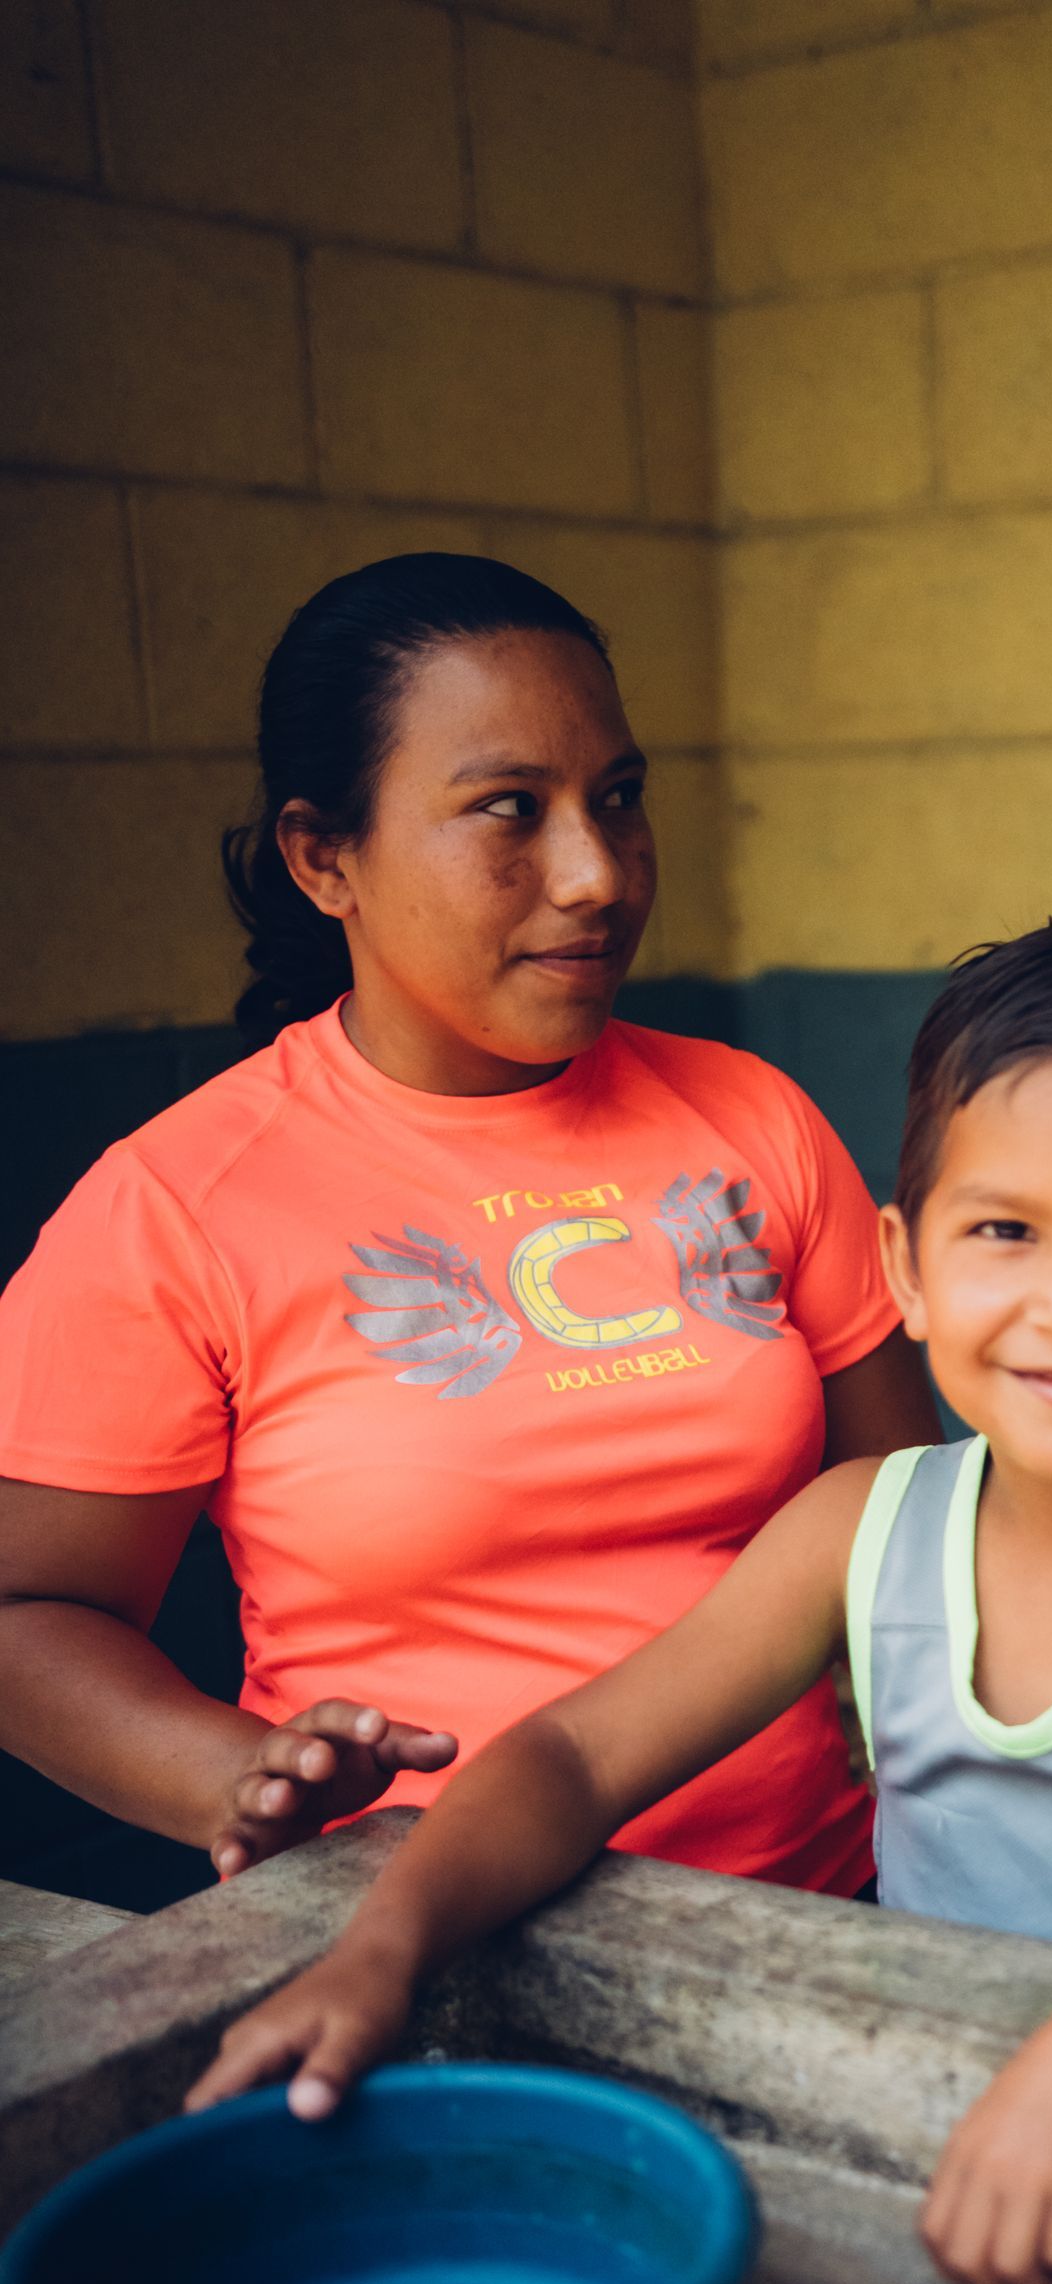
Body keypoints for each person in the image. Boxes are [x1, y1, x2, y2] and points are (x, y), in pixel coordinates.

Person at [188, 914, 1052, 2284]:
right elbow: (571, 1757)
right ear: (905, 1269)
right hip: (938, 2162)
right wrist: (386, 1944)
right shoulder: (864, 1534)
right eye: (1007, 1232)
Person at [0, 553, 936, 1904]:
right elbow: (31, 1617)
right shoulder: (182, 1205)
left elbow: (908, 1514)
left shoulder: (756, 1119)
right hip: (421, 1950)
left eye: (619, 800)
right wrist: (232, 1771)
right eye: (511, 811)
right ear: (326, 857)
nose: (597, 875)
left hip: (817, 1914)